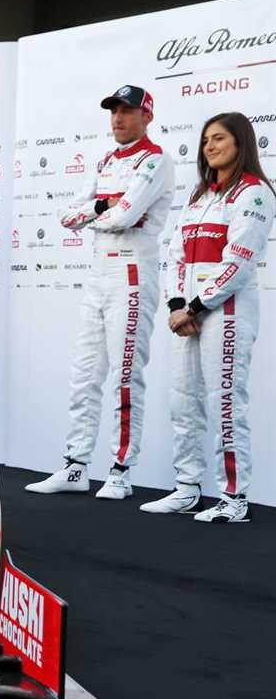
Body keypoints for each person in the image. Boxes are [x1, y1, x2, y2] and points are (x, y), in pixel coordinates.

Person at [26, 86, 172, 498]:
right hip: (99, 271)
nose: (118, 119)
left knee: (125, 376)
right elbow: (68, 213)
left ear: (146, 115)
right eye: (114, 112)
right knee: (85, 374)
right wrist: (101, 208)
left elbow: (128, 213)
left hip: (132, 272)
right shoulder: (105, 159)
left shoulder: (155, 159)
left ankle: (121, 471)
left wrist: (98, 211)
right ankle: (75, 466)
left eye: (128, 111)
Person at [140, 113, 274, 523]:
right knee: (183, 402)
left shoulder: (255, 193)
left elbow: (238, 263)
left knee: (225, 403)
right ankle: (187, 488)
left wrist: (194, 308)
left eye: (219, 139)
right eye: (205, 141)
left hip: (226, 313)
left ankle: (234, 498)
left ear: (241, 143)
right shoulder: (200, 197)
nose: (210, 147)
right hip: (189, 315)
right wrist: (177, 306)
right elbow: (175, 256)